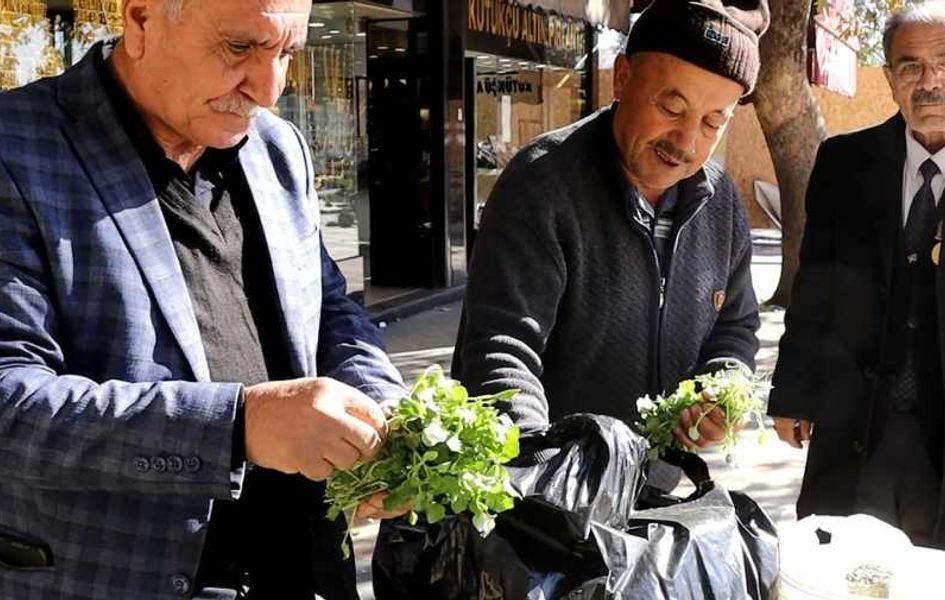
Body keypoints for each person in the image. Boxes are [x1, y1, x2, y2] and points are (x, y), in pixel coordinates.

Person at [0, 0, 407, 598]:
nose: (268, 89)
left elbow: (329, 308)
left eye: (286, 54)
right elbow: (10, 398)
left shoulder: (277, 147)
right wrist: (238, 425)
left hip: (302, 569)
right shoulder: (15, 149)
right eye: (240, 48)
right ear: (140, 21)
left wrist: (382, 408)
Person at [452, 0, 766, 457]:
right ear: (622, 78)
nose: (686, 141)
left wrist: (722, 388)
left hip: (659, 482)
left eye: (713, 122)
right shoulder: (542, 185)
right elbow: (502, 351)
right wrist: (542, 466)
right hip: (553, 488)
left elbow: (735, 325)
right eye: (671, 107)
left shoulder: (722, 201)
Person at [770, 1, 945, 553]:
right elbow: (815, 285)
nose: (929, 82)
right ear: (888, 77)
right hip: (859, 417)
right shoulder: (844, 162)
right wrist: (793, 390)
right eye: (910, 66)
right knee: (842, 566)